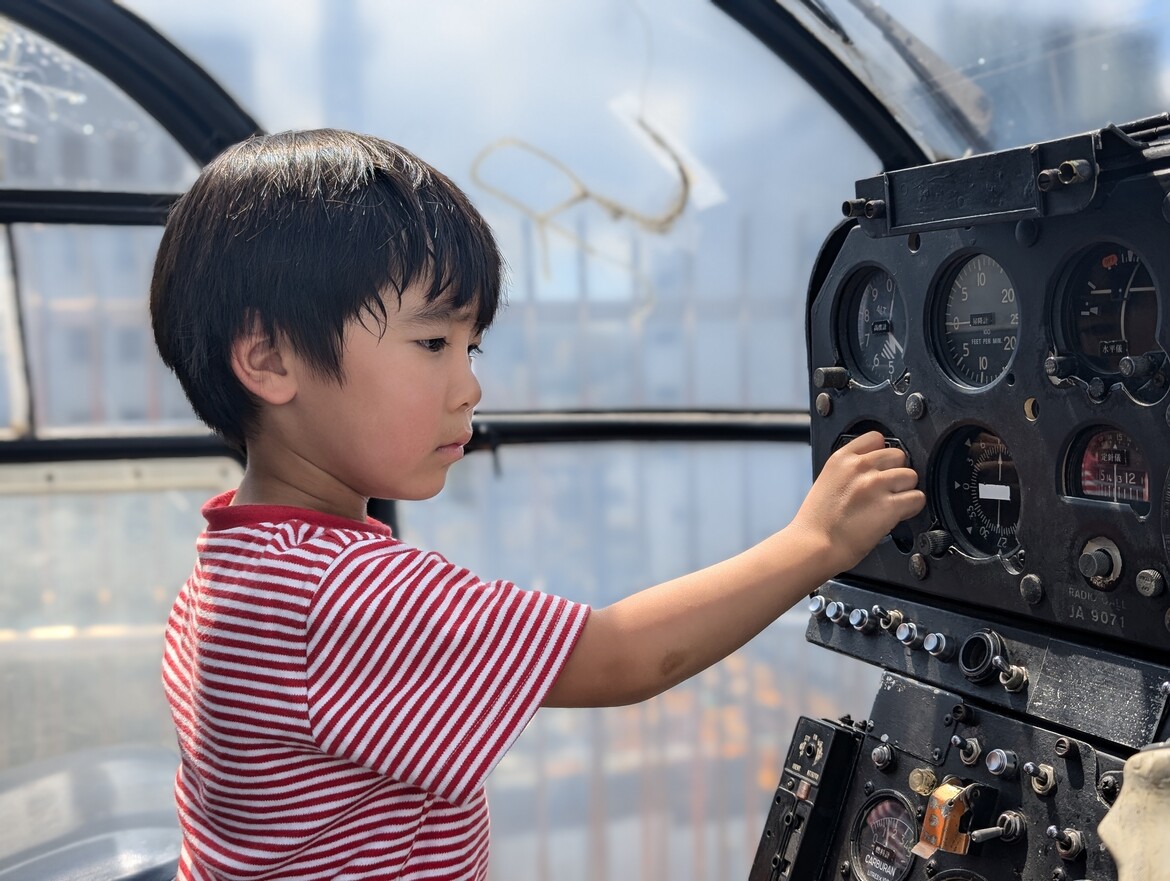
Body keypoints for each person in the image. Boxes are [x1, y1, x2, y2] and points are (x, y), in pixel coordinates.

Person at [151, 128, 924, 881]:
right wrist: (815, 540)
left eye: (470, 346)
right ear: (270, 359)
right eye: (432, 344)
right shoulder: (335, 591)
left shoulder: (232, 561)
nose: (470, 387)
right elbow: (619, 654)